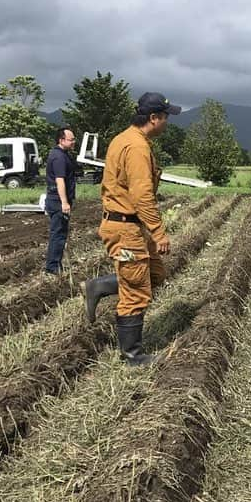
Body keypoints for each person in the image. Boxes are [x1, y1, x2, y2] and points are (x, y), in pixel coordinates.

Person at [86, 92, 181, 366]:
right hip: (126, 227)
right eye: (165, 118)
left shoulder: (124, 138)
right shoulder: (137, 148)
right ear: (153, 118)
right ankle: (133, 356)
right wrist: (159, 231)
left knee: (154, 274)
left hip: (129, 225)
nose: (167, 123)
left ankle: (100, 286)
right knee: (137, 290)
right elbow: (142, 195)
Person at [44, 127, 77, 274]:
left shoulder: (63, 155)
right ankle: (53, 268)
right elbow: (60, 181)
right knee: (58, 234)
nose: (73, 142)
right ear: (61, 140)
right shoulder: (58, 157)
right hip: (57, 201)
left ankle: (55, 264)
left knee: (59, 233)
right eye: (71, 140)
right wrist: (64, 202)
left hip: (56, 200)